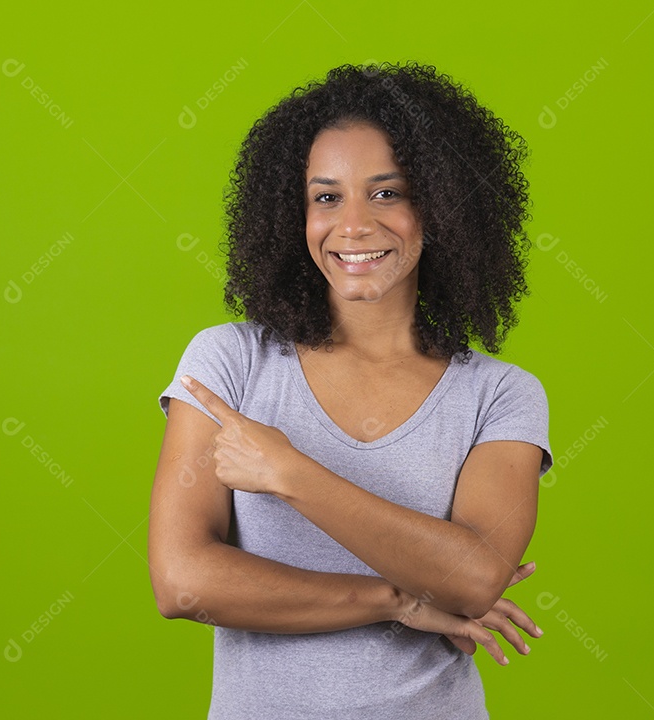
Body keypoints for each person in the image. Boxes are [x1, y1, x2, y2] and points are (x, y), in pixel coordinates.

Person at [149, 61, 553, 719]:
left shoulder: (501, 395)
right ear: (294, 214)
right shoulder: (232, 361)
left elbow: (476, 579)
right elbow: (181, 582)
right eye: (327, 197)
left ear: (442, 207)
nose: (355, 225)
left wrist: (289, 473)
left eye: (387, 193)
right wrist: (399, 599)